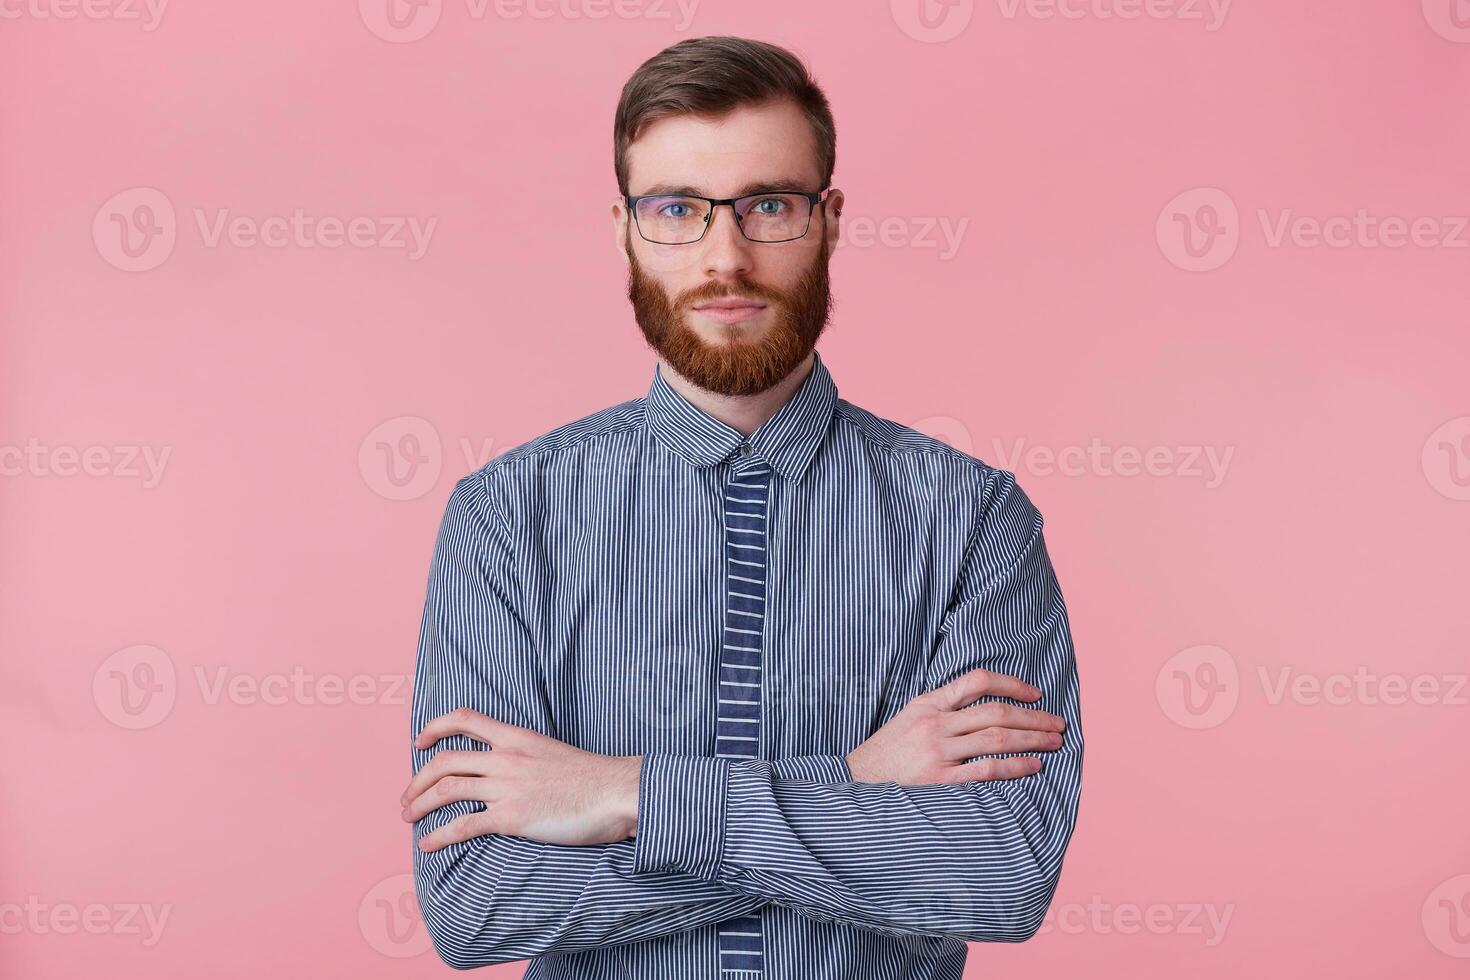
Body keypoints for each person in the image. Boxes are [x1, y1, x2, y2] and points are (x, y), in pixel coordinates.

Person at [400, 35, 1083, 979]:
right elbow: (478, 907)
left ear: (830, 219)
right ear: (624, 226)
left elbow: (997, 874)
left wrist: (622, 795)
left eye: (769, 205)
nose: (727, 257)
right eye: (678, 208)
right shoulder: (507, 519)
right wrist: (850, 784)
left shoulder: (972, 520)